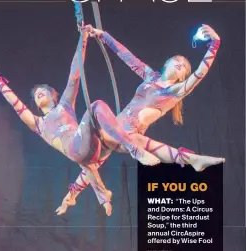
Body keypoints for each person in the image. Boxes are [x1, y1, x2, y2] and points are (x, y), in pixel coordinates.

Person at [0, 30, 164, 216]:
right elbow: (15, 103)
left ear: (53, 95)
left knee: (100, 145)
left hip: (88, 150)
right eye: (36, 94)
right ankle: (135, 151)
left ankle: (102, 194)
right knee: (97, 106)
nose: (39, 92)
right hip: (77, 150)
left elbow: (75, 74)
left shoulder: (65, 106)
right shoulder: (38, 123)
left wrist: (83, 39)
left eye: (43, 90)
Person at [55, 24, 225, 216]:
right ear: (166, 63)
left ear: (182, 77)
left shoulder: (174, 92)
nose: (181, 64)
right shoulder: (150, 77)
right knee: (90, 164)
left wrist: (214, 44)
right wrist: (103, 35)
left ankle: (184, 158)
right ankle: (71, 196)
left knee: (110, 123)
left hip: (126, 137)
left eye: (184, 67)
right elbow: (126, 56)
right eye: (177, 61)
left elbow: (199, 74)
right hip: (112, 131)